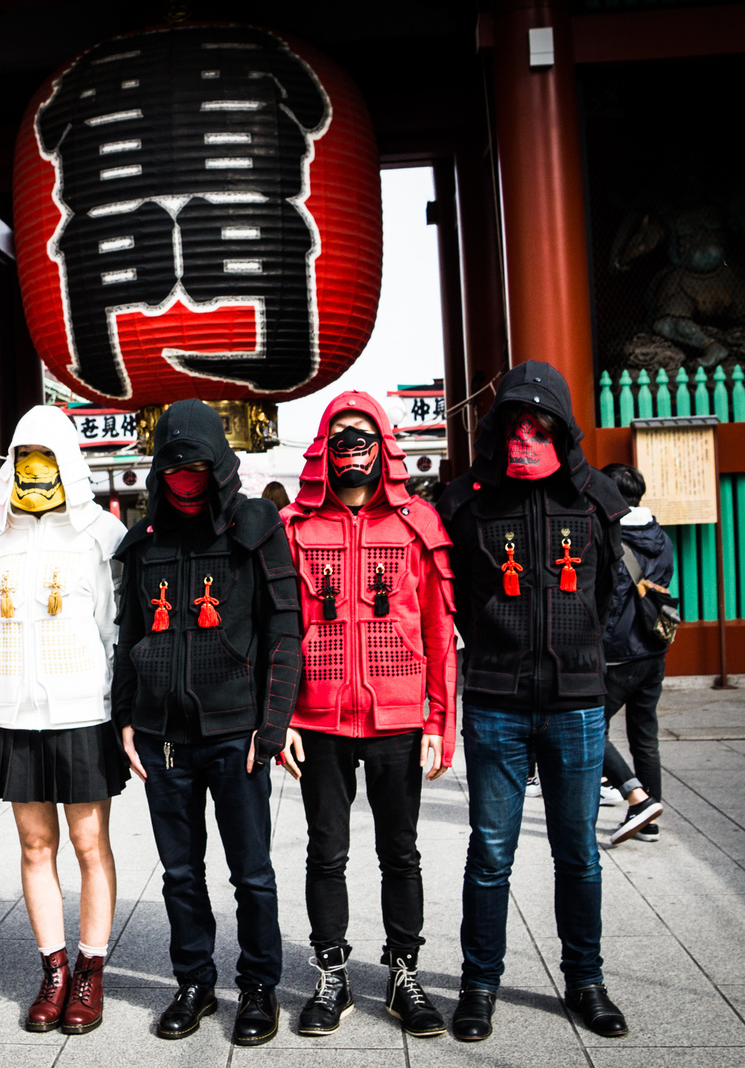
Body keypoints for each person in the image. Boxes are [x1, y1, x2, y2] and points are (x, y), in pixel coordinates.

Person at [438, 361, 631, 1043]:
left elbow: (612, 589)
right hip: (496, 701)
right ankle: (479, 985)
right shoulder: (465, 503)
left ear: (561, 428)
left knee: (578, 851)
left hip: (577, 705)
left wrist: (583, 648)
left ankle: (586, 980)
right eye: (513, 424)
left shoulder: (594, 499)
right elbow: (451, 591)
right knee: (491, 851)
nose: (524, 437)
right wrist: (493, 640)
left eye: (538, 425)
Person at [113, 398, 304, 1047]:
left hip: (236, 733)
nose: (185, 479)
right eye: (173, 468)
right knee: (178, 872)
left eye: (196, 466)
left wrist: (272, 725)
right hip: (164, 735)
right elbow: (130, 633)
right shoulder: (143, 541)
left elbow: (285, 628)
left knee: (251, 871)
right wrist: (125, 720)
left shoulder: (256, 525)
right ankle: (193, 981)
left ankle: (258, 986)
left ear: (218, 462)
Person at [278, 393, 456, 1039]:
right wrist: (283, 720)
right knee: (326, 853)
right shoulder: (295, 528)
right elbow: (280, 632)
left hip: (399, 718)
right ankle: (332, 975)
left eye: (364, 435)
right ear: (322, 446)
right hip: (319, 719)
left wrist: (440, 722)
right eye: (341, 436)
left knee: (399, 852)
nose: (353, 447)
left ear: (386, 445)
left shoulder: (417, 525)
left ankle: (405, 974)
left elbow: (440, 632)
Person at [0, 404, 127, 1036]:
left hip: (81, 712)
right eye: (24, 458)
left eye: (46, 458)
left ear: (68, 462)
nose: (34, 471)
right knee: (35, 846)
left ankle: (91, 972)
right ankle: (54, 970)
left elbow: (111, 629)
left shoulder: (98, 536)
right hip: (17, 714)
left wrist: (116, 710)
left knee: (90, 846)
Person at [599, 463, 670, 846]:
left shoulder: (614, 538)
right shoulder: (660, 536)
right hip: (654, 648)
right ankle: (650, 816)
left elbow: (609, 602)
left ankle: (637, 799)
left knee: (590, 726)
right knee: (645, 737)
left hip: (619, 655)